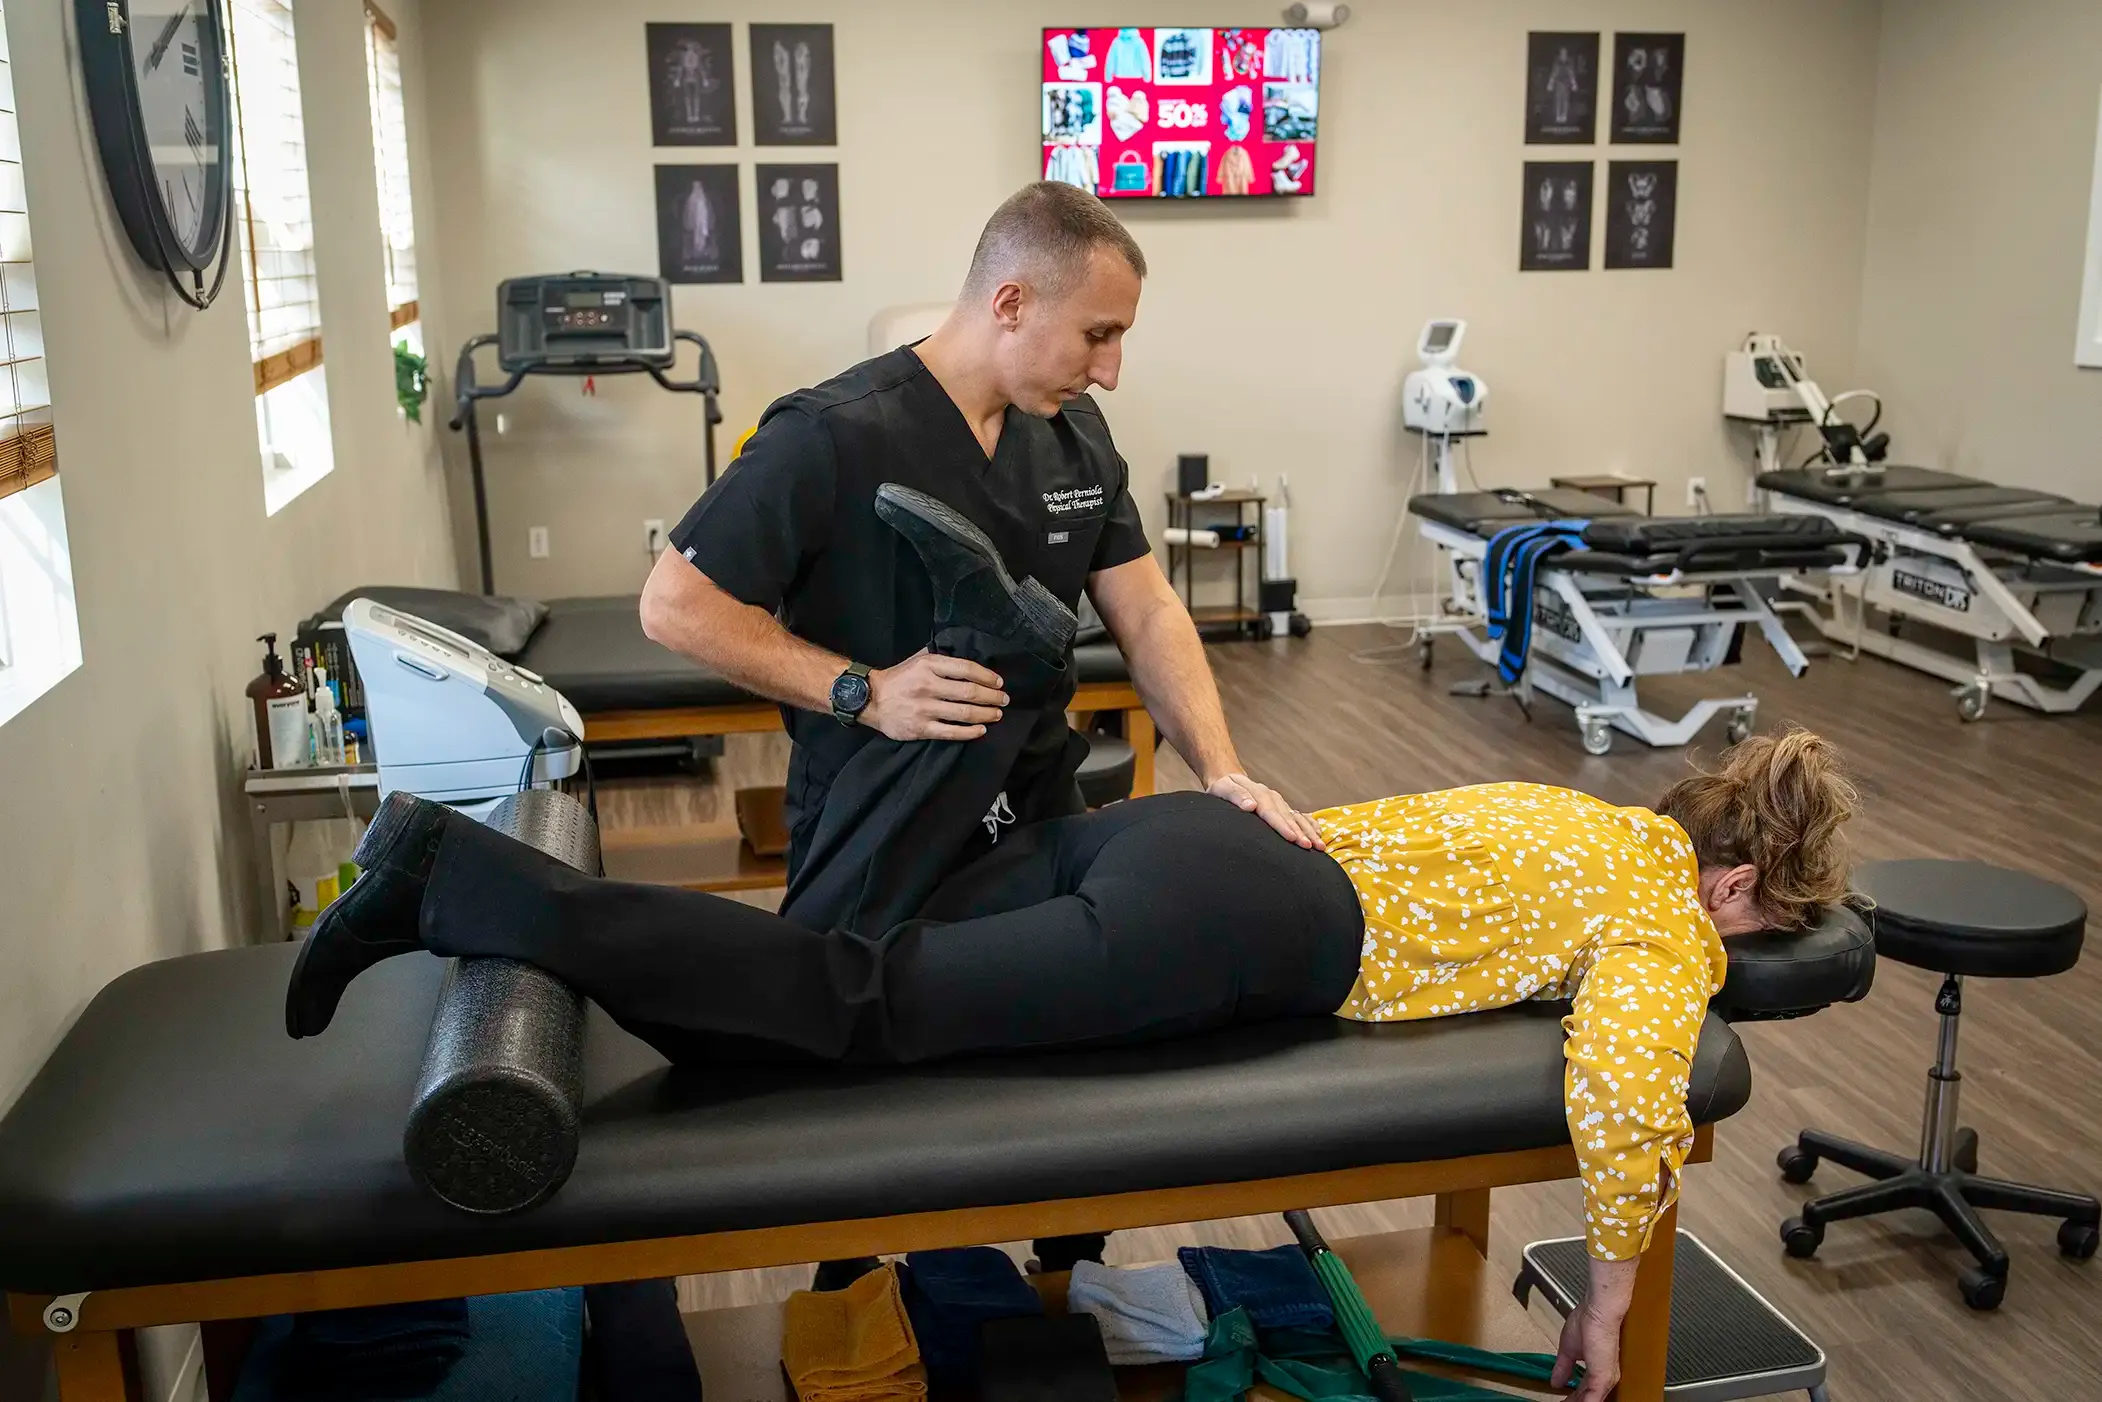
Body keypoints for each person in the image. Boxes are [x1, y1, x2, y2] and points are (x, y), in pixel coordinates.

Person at [289, 494, 1857, 1402]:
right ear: (1734, 884)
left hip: (1188, 834)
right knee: (857, 1006)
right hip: (1241, 921)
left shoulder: (1573, 809)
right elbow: (1627, 1091)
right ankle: (468, 883)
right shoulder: (1662, 913)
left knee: (848, 943)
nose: (1743, 946)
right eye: (1765, 924)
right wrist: (1601, 1298)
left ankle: (1000, 662)